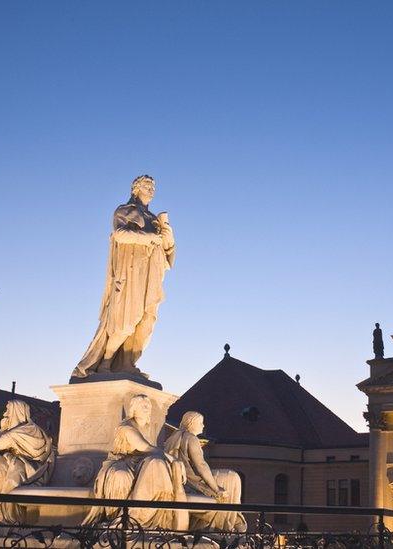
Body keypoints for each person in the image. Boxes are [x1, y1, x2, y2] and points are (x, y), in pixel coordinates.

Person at [74, 175, 176, 378]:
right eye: (147, 185)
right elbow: (119, 234)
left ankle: (128, 362)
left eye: (153, 186)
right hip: (131, 272)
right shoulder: (125, 210)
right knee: (126, 320)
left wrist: (165, 227)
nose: (151, 189)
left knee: (147, 322)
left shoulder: (154, 220)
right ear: (135, 189)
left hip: (152, 274)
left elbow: (168, 247)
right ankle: (105, 362)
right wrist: (150, 238)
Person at [83, 395, 180, 528]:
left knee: (156, 464)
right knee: (121, 475)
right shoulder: (126, 427)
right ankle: (118, 519)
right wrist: (172, 458)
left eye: (148, 406)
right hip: (122, 461)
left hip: (139, 462)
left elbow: (149, 450)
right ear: (134, 409)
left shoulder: (147, 427)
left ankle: (139, 516)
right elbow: (145, 447)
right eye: (143, 406)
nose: (147, 408)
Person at [164, 412, 246, 532]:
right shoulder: (191, 438)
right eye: (201, 423)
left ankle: (233, 519)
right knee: (232, 477)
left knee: (229, 477)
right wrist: (216, 489)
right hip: (191, 482)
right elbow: (201, 465)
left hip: (184, 480)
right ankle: (230, 522)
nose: (203, 426)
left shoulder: (173, 437)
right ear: (192, 423)